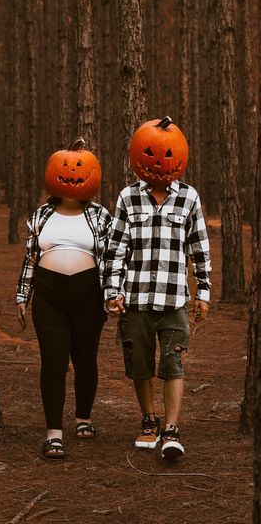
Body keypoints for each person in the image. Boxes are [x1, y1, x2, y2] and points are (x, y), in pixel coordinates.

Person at [104, 116, 211, 459]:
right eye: (151, 154)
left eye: (170, 156)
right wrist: (112, 292)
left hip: (174, 299)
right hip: (135, 299)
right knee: (139, 363)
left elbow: (199, 248)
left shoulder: (189, 198)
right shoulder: (127, 198)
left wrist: (203, 293)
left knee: (173, 363)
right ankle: (149, 420)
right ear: (138, 156)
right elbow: (115, 248)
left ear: (180, 157)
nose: (161, 164)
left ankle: (172, 429)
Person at [16, 137, 111, 459]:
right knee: (53, 362)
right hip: (49, 296)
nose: (71, 174)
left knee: (85, 359)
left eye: (79, 169)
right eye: (66, 169)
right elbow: (30, 257)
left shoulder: (100, 216)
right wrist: (22, 295)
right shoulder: (42, 214)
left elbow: (111, 259)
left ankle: (83, 419)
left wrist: (113, 294)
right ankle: (53, 433)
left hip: (89, 295)